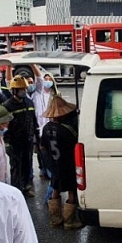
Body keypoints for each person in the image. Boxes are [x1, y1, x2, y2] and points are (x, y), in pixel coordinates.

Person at [41, 95, 83, 229]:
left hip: (54, 165)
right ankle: (69, 221)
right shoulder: (67, 130)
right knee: (71, 191)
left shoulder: (46, 128)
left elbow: (43, 147)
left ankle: (55, 219)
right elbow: (74, 147)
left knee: (55, 189)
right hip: (68, 166)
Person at [3, 75, 39, 198]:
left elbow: (33, 121)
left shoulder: (29, 102)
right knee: (16, 166)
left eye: (24, 89)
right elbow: (5, 126)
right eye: (21, 90)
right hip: (15, 142)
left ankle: (26, 186)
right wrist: (7, 142)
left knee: (27, 164)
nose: (24, 91)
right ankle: (16, 189)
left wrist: (36, 138)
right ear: (14, 91)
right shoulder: (8, 105)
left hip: (28, 140)